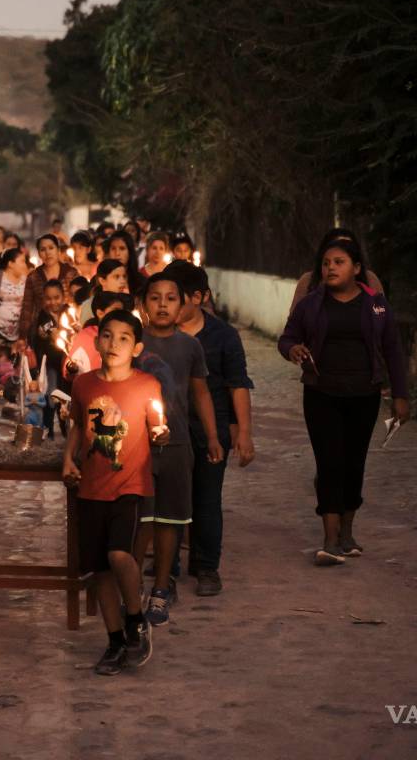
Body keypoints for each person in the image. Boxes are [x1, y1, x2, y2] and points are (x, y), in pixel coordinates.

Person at [278, 240, 409, 566]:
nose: (331, 268)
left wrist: (401, 395)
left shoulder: (376, 305)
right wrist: (292, 349)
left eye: (339, 262)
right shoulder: (311, 304)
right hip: (321, 395)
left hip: (364, 395)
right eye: (326, 263)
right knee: (329, 463)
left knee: (353, 463)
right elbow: (287, 337)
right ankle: (330, 539)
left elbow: (393, 349)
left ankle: (347, 532)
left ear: (356, 268)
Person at [62, 309, 164, 675]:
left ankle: (135, 618)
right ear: (97, 341)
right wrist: (68, 459)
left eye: (124, 338)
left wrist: (160, 434)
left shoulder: (147, 385)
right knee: (99, 570)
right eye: (107, 335)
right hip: (91, 487)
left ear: (136, 348)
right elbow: (78, 425)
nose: (114, 343)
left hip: (129, 484)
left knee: (119, 554)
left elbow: (157, 425)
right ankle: (115, 640)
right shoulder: (84, 384)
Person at [134, 273, 224, 624]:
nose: (162, 305)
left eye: (170, 298)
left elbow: (200, 393)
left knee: (170, 518)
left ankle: (161, 587)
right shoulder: (134, 343)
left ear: (183, 304)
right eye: (155, 298)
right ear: (143, 304)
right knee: (141, 518)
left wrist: (213, 437)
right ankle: (133, 586)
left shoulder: (190, 347)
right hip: (136, 445)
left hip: (177, 443)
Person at [167, 262, 255, 594]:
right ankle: (167, 567)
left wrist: (243, 431)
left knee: (207, 499)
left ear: (198, 297)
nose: (168, 305)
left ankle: (206, 567)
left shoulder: (223, 336)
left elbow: (237, 384)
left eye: (175, 298)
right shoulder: (156, 336)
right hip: (169, 430)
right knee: (170, 500)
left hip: (210, 430)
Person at [289, 228, 385, 313]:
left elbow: (383, 318)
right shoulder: (308, 281)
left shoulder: (370, 279)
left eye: (349, 249)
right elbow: (294, 322)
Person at [20, 233, 78, 342]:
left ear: (58, 250)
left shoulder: (71, 273)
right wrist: (23, 337)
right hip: (42, 332)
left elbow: (79, 302)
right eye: (43, 249)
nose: (47, 253)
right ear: (39, 253)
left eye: (51, 248)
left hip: (69, 330)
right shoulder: (33, 277)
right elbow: (27, 308)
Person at [63, 291, 133, 381]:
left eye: (121, 312)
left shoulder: (126, 336)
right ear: (100, 313)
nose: (119, 316)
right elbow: (69, 372)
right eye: (115, 311)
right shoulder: (86, 336)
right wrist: (72, 369)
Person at [29, 279, 69, 437]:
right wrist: (47, 333)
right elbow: (45, 332)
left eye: (56, 297)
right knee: (51, 393)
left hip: (67, 362)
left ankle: (66, 429)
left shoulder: (69, 312)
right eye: (49, 298)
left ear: (63, 296)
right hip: (51, 363)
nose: (53, 302)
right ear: (43, 299)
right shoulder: (43, 316)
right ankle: (48, 428)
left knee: (66, 395)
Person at [78, 259, 130, 328]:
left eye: (124, 276)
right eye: (116, 277)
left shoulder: (127, 302)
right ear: (102, 280)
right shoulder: (89, 306)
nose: (123, 281)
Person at [104, 231, 144, 295]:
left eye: (122, 248)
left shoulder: (140, 282)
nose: (117, 253)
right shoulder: (100, 279)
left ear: (129, 252)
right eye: (113, 248)